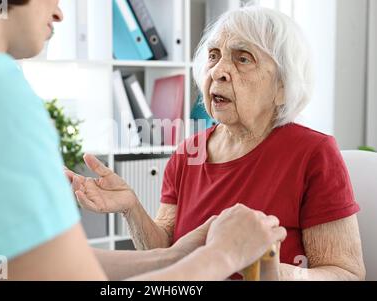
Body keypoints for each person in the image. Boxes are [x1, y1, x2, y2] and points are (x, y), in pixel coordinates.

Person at [0, 0, 286, 280]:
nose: (60, 12)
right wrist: (221, 257)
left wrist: (176, 256)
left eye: (243, 59)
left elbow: (36, 267)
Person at [72, 6, 366, 280]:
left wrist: (272, 270)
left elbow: (346, 273)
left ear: (283, 87)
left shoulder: (314, 153)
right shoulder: (188, 153)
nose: (217, 71)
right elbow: (167, 254)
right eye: (214, 55)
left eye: (242, 58)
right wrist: (131, 208)